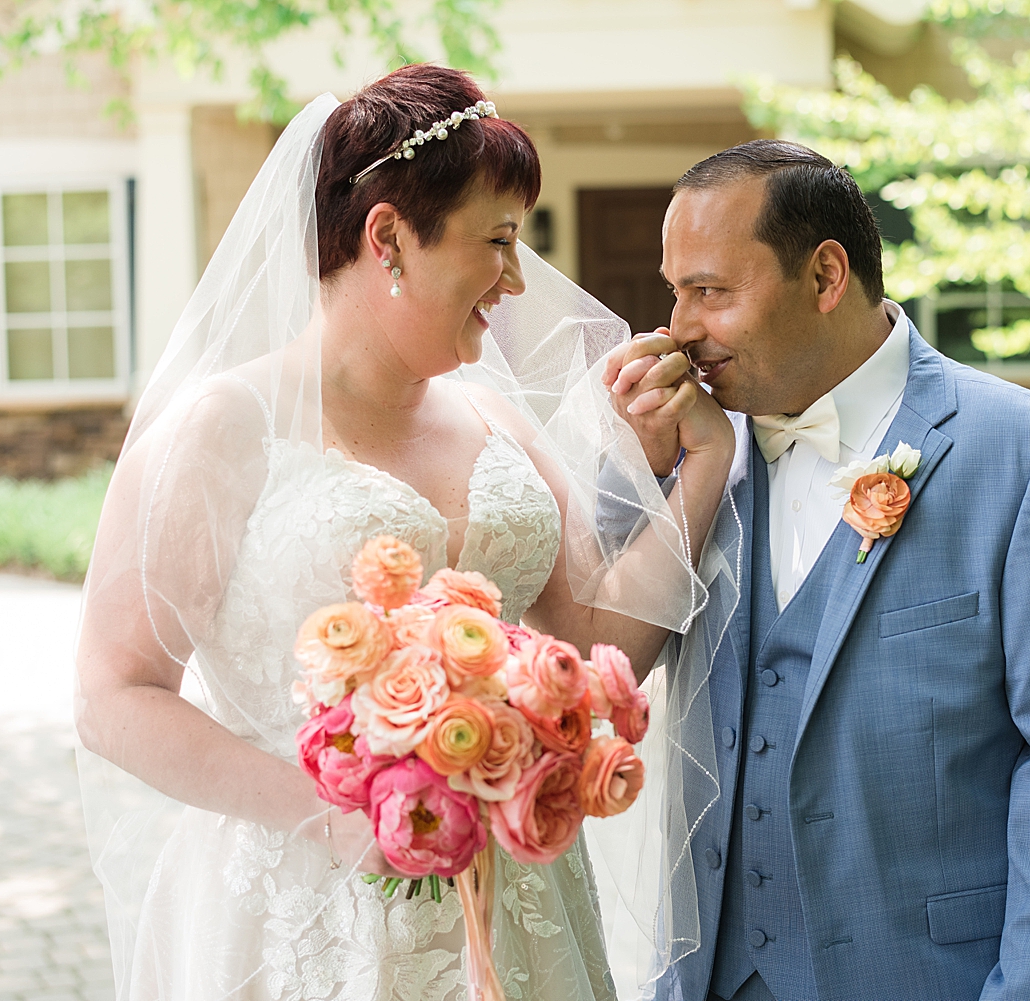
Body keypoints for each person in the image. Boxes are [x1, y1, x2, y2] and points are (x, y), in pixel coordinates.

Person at [73, 65, 732, 1001]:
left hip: (516, 906)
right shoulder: (223, 427)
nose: (514, 279)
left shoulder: (498, 423)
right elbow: (114, 695)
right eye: (496, 241)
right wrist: (341, 817)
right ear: (387, 237)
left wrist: (700, 470)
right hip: (300, 912)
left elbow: (598, 649)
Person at [605, 140, 1030, 1001]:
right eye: (676, 291)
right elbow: (587, 660)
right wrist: (639, 469)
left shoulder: (1029, 455)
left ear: (824, 278)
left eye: (711, 291)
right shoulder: (689, 449)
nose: (680, 326)